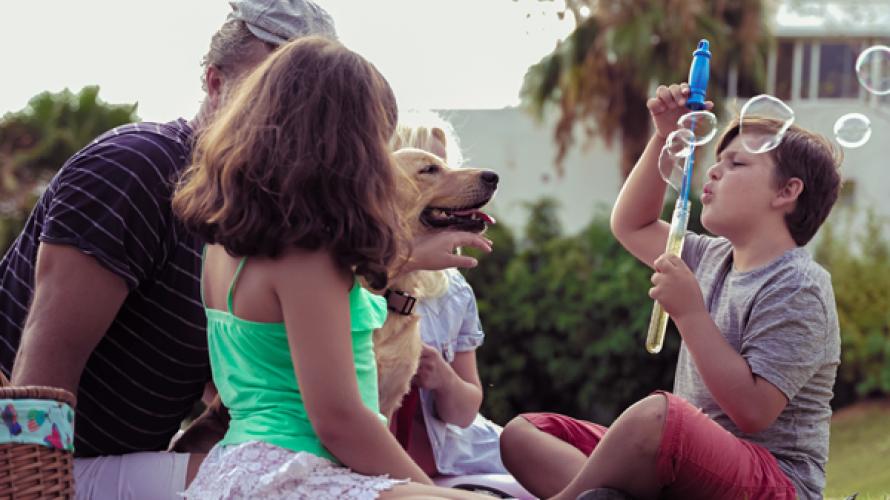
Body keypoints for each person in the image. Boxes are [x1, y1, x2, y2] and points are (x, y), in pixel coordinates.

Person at [0, 1, 490, 498]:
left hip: (150, 458)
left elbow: (268, 361)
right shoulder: (136, 169)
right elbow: (42, 364)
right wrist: (29, 487)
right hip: (42, 465)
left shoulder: (243, 216)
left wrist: (402, 257)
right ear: (217, 84)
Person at [175, 35, 490, 499]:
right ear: (345, 143)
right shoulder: (306, 255)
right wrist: (434, 493)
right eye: (376, 137)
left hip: (235, 470)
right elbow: (340, 420)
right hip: (296, 474)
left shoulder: (226, 245)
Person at [499, 82, 842, 500]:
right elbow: (632, 224)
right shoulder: (709, 256)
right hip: (689, 468)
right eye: (718, 160)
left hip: (776, 484)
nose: (713, 171)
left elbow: (754, 411)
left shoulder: (799, 287)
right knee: (524, 435)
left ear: (787, 192)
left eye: (736, 164)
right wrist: (663, 137)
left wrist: (690, 314)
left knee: (657, 417)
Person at [389, 112, 507, 477]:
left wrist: (442, 377)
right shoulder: (346, 284)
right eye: (429, 170)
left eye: (448, 165)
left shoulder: (453, 288)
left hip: (464, 461)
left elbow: (466, 408)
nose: (462, 179)